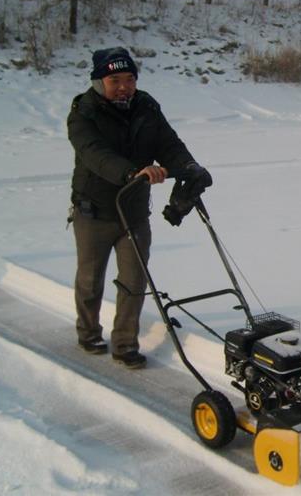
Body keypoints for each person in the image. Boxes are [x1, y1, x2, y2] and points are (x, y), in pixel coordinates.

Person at [67, 47, 212, 369]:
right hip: (95, 211)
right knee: (91, 280)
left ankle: (124, 343)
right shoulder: (83, 111)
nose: (123, 86)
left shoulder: (145, 106)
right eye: (114, 79)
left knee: (134, 281)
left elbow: (168, 143)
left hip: (133, 212)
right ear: (98, 81)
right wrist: (133, 173)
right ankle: (88, 331)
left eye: (129, 79)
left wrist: (188, 165)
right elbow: (94, 153)